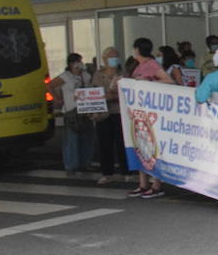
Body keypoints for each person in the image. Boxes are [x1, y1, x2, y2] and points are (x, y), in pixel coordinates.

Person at [126, 37, 172, 199]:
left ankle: (156, 185)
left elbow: (169, 81)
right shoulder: (138, 66)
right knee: (141, 147)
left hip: (151, 112)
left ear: (137, 49)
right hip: (139, 112)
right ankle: (143, 184)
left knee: (153, 148)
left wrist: (149, 81)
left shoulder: (152, 64)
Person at [51, 53, 95, 176]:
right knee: (71, 139)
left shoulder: (86, 76)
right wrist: (57, 99)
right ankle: (71, 165)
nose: (80, 64)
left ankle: (85, 163)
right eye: (78, 62)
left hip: (85, 109)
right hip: (71, 110)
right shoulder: (65, 76)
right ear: (71, 64)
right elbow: (49, 85)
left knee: (87, 138)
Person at [93, 47, 127, 185]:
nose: (115, 59)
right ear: (105, 59)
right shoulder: (98, 75)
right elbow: (97, 93)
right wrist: (112, 94)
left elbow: (126, 92)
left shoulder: (123, 73)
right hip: (104, 114)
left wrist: (111, 95)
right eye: (111, 57)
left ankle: (127, 172)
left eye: (116, 56)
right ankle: (107, 173)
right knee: (105, 144)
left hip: (120, 113)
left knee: (123, 144)